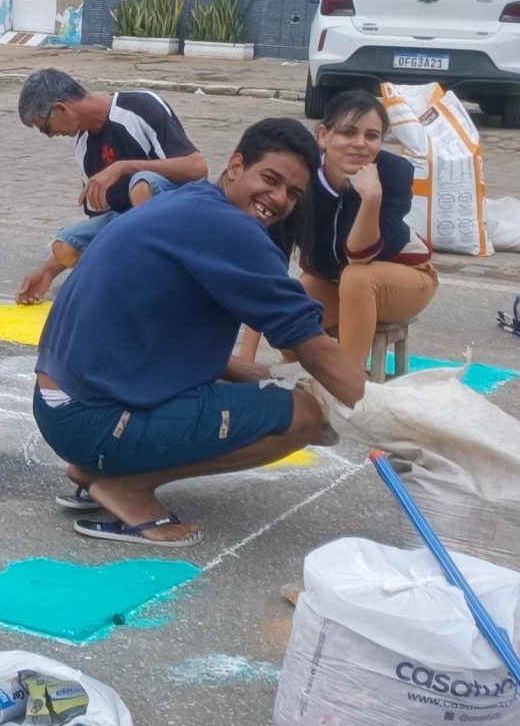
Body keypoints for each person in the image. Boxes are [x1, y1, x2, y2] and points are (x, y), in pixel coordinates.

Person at [32, 119, 367, 548]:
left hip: (61, 409)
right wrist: (392, 414)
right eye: (270, 179)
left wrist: (276, 377)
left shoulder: (192, 202)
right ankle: (127, 486)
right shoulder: (229, 227)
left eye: (294, 193)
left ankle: (96, 470)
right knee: (309, 416)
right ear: (236, 166)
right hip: (90, 419)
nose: (279, 198)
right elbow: (310, 344)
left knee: (285, 387)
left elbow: (192, 353)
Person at [13, 68, 208, 304]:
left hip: (182, 211)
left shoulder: (139, 107)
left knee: (142, 185)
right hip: (130, 224)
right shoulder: (84, 149)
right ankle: (120, 275)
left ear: (61, 108)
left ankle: (158, 275)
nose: (50, 135)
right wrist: (48, 271)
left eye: (45, 128)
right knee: (64, 247)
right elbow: (102, 223)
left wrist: (123, 167)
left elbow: (197, 168)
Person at [275, 88, 437, 362]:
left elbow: (359, 257)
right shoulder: (302, 177)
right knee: (290, 307)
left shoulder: (394, 173)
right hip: (335, 282)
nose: (360, 144)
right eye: (349, 132)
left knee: (357, 277)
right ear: (324, 136)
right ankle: (304, 386)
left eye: (372, 136)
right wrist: (247, 359)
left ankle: (350, 385)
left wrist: (371, 198)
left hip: (405, 278)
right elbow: (268, 266)